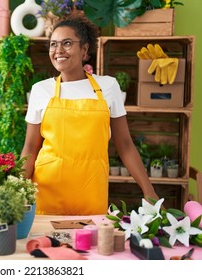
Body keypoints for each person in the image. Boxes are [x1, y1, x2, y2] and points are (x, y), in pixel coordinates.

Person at [20, 15, 160, 215]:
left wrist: (149, 190)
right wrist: (16, 188)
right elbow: (30, 147)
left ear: (84, 50)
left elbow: (125, 145)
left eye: (67, 43)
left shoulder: (108, 86)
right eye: (53, 44)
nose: (58, 50)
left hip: (91, 192)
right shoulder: (41, 90)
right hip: (47, 191)